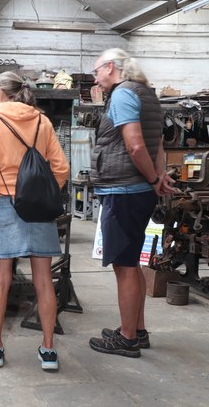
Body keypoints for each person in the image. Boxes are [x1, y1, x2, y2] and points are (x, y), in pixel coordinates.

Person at [0, 71, 69, 370]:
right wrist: (45, 192)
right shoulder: (42, 121)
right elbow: (62, 168)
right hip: (39, 207)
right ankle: (49, 350)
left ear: (1, 93)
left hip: (3, 203)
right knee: (44, 281)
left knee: (1, 280)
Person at [87, 48, 177, 358]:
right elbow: (159, 143)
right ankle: (136, 329)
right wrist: (158, 176)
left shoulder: (124, 94)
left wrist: (154, 179)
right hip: (138, 189)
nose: (95, 77)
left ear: (111, 67)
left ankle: (127, 339)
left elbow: (136, 144)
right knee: (132, 262)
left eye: (97, 70)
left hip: (124, 189)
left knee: (123, 265)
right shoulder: (147, 94)